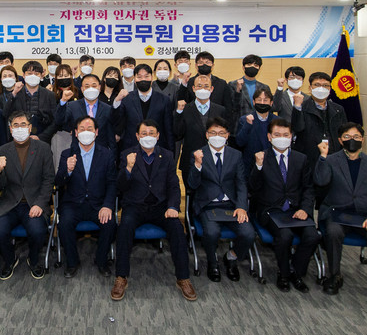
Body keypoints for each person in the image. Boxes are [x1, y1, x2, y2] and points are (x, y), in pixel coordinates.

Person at [111, 119, 196, 301]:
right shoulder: (127, 154)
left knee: (177, 228)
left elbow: (173, 186)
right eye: (144, 133)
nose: (147, 136)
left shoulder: (167, 156)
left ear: (158, 136)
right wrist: (128, 168)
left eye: (151, 133)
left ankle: (183, 278)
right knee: (124, 228)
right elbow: (120, 187)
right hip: (135, 206)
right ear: (137, 136)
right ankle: (121, 277)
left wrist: (173, 206)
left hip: (161, 207)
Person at [314, 122, 367, 304]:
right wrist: (323, 157)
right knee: (333, 233)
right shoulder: (331, 161)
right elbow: (320, 181)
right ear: (340, 140)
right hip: (337, 213)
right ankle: (335, 276)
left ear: (363, 140)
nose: (352, 140)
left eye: (356, 137)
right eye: (347, 137)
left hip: (364, 216)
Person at [248, 118, 319, 293]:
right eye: (277, 134)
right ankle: (284, 274)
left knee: (312, 236)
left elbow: (308, 188)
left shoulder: (301, 159)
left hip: (296, 210)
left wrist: (305, 209)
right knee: (285, 236)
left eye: (285, 135)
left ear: (291, 136)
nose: (282, 138)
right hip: (271, 211)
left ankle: (296, 271)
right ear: (269, 137)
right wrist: (258, 166)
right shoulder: (261, 157)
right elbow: (252, 187)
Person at [187, 117, 255, 283]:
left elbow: (241, 183)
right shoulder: (198, 154)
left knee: (248, 234)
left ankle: (231, 257)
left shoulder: (236, 155)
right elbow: (192, 184)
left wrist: (241, 206)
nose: (217, 136)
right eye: (213, 133)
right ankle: (213, 262)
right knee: (211, 233)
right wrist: (197, 165)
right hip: (208, 205)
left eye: (221, 133)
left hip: (231, 206)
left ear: (227, 135)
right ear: (207, 135)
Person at [0, 112, 55, 280]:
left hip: (34, 203)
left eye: (23, 125)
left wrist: (40, 204)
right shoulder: (1, 151)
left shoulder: (43, 148)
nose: (19, 128)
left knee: (38, 231)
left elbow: (49, 180)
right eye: (16, 125)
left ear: (29, 127)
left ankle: (33, 260)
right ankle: (9, 260)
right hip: (10, 204)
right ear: (10, 129)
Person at [54, 116, 117, 277]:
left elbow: (112, 183)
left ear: (96, 132)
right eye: (82, 129)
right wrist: (67, 170)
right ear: (76, 133)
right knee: (64, 224)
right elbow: (58, 182)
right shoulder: (67, 154)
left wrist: (107, 205)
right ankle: (72, 262)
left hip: (98, 204)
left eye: (90, 129)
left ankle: (101, 260)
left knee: (110, 224)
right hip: (73, 203)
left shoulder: (107, 154)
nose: (86, 132)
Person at [173, 74, 225, 187]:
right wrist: (178, 113)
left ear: (211, 89)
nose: (203, 89)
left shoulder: (220, 110)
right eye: (199, 86)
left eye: (206, 86)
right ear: (193, 88)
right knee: (191, 194)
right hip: (190, 161)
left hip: (214, 161)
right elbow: (177, 133)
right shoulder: (185, 109)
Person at [291, 71, 347, 167]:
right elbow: (297, 128)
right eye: (317, 85)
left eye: (325, 85)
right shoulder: (302, 107)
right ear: (310, 88)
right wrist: (297, 108)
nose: (321, 88)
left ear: (330, 89)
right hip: (310, 158)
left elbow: (344, 133)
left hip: (334, 157)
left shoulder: (338, 109)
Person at [113, 64, 174, 152]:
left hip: (157, 150)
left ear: (152, 78)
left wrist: (171, 153)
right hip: (131, 149)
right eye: (139, 77)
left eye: (146, 76)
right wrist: (117, 101)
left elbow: (169, 130)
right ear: (134, 79)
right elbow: (118, 122)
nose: (143, 80)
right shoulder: (127, 99)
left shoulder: (164, 100)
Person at [56, 74, 116, 151]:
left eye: (94, 86)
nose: (91, 89)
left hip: (101, 152)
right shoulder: (72, 106)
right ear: (82, 89)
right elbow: (59, 121)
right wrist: (63, 101)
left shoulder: (107, 109)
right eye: (87, 86)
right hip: (77, 151)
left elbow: (111, 136)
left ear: (99, 87)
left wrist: (112, 155)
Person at [2, 61, 58, 144]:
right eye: (29, 73)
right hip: (18, 140)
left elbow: (55, 121)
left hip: (42, 141)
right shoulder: (15, 94)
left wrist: (41, 137)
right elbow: (5, 114)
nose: (33, 76)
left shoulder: (49, 95)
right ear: (23, 75)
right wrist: (14, 94)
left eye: (36, 74)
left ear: (41, 76)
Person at [235, 88, 278, 179]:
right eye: (259, 100)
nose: (262, 103)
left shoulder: (277, 121)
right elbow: (239, 142)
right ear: (254, 102)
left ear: (271, 103)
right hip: (250, 166)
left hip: (272, 166)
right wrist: (248, 125)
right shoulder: (244, 120)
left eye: (265, 100)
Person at [176, 52, 234, 118]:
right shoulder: (189, 82)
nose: (204, 65)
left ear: (212, 65)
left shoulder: (222, 83)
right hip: (194, 119)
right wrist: (184, 84)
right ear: (196, 65)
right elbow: (181, 102)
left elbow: (228, 107)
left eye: (207, 62)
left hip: (217, 120)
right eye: (201, 62)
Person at [228, 54, 272, 124]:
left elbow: (269, 109)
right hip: (239, 124)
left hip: (259, 124)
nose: (252, 67)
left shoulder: (264, 87)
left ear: (259, 69)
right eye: (249, 64)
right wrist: (238, 91)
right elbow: (232, 108)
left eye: (256, 65)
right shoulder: (233, 84)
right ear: (243, 67)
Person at [50, 64, 80, 165]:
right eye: (60, 76)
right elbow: (54, 116)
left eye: (66, 75)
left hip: (76, 134)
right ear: (56, 77)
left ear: (71, 76)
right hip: (60, 134)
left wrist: (75, 128)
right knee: (60, 163)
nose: (63, 78)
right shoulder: (51, 93)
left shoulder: (77, 91)